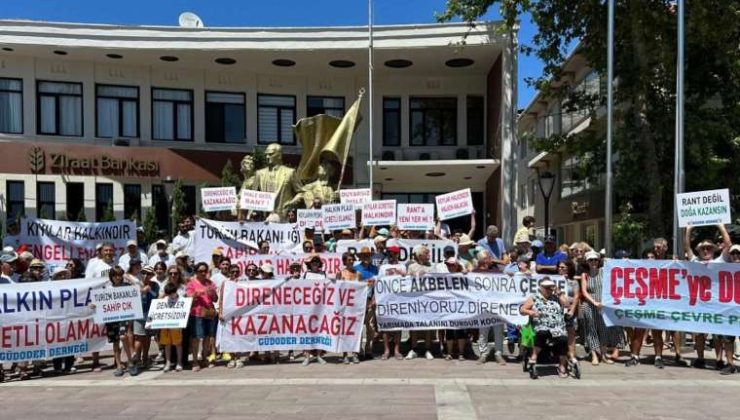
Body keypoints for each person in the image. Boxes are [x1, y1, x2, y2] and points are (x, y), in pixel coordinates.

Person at [684, 224, 732, 371]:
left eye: (709, 248)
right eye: (703, 249)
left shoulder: (720, 262)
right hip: (700, 304)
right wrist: (689, 230)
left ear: (713, 250)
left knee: (720, 334)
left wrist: (720, 226)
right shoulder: (695, 262)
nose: (706, 250)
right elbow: (687, 247)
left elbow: (728, 244)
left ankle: (721, 361)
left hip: (718, 304)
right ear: (699, 251)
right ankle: (700, 358)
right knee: (699, 333)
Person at [519, 277, 569, 379]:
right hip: (541, 325)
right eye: (547, 288)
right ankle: (533, 357)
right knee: (543, 333)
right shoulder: (534, 297)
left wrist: (559, 293)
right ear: (541, 288)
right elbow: (522, 309)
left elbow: (567, 304)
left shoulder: (556, 297)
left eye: (551, 287)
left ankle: (562, 366)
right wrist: (531, 312)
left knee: (563, 338)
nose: (549, 290)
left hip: (557, 327)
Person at [580, 250, 624, 365]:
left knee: (604, 330)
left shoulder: (604, 271)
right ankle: (594, 355)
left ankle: (603, 355)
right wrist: (594, 302)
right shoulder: (584, 275)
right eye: (591, 260)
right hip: (589, 305)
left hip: (603, 305)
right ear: (587, 262)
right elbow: (584, 292)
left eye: (595, 259)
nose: (593, 262)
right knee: (591, 330)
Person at [406, 245, 447, 360]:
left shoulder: (433, 267)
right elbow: (406, 282)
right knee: (414, 325)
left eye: (429, 253)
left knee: (428, 325)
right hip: (415, 300)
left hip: (429, 300)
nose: (429, 255)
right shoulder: (412, 267)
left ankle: (427, 349)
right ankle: (414, 349)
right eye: (426, 253)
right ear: (419, 255)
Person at [97, 266, 134, 377]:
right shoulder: (107, 289)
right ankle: (118, 365)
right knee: (115, 342)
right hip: (112, 319)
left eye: (119, 275)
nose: (117, 277)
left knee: (123, 337)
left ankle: (130, 363)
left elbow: (137, 290)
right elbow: (101, 303)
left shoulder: (127, 287)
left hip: (124, 318)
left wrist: (129, 278)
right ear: (111, 276)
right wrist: (95, 305)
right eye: (115, 275)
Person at [186, 262, 218, 371]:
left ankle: (204, 359)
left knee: (207, 337)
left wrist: (212, 293)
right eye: (201, 271)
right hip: (196, 314)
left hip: (209, 313)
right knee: (196, 338)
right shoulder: (191, 283)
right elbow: (188, 298)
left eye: (205, 271)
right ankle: (195, 361)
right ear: (196, 272)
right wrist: (197, 293)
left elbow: (215, 299)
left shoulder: (210, 283)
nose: (203, 273)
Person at [378, 243, 405, 360]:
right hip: (385, 299)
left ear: (397, 254)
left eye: (393, 253)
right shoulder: (383, 267)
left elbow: (406, 280)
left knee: (398, 326)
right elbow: (379, 283)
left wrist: (399, 273)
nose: (390, 255)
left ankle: (397, 350)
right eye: (389, 253)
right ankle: (386, 350)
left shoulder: (402, 266)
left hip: (398, 299)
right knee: (385, 326)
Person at [131, 263, 160, 371]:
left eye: (149, 273)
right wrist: (141, 291)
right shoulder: (135, 284)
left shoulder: (155, 285)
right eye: (144, 273)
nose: (146, 275)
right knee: (138, 337)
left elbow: (156, 297)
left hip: (150, 314)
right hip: (138, 315)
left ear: (152, 275)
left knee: (147, 337)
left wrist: (149, 290)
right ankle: (137, 359)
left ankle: (145, 358)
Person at [355, 247, 379, 359]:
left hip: (370, 300)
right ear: (360, 257)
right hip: (359, 302)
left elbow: (378, 286)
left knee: (371, 327)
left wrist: (374, 299)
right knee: (358, 327)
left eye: (368, 256)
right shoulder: (356, 269)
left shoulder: (375, 269)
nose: (366, 258)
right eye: (364, 256)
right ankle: (359, 350)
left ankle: (369, 348)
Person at [558, 260, 580, 370]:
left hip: (571, 309)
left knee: (571, 332)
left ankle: (572, 355)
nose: (561, 269)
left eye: (564, 267)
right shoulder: (554, 281)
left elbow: (576, 296)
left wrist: (572, 310)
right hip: (558, 310)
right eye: (560, 267)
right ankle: (560, 356)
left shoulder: (574, 282)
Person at [158, 282, 185, 372]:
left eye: (171, 293)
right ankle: (168, 362)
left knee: (178, 344)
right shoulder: (164, 299)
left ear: (175, 291)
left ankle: (179, 362)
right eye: (168, 294)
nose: (170, 296)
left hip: (176, 325)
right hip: (165, 324)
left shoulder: (181, 300)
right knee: (167, 344)